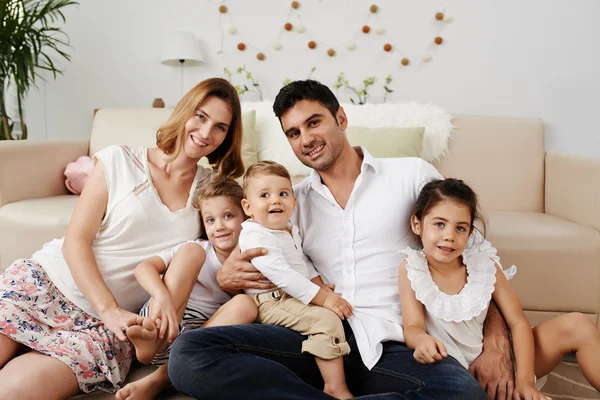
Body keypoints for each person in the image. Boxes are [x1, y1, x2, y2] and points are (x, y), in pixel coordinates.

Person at [167, 79, 512, 399]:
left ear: (341, 118)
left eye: (314, 122)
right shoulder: (289, 203)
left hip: (391, 344)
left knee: (462, 394)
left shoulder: (411, 175)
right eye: (293, 132)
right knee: (188, 355)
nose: (306, 139)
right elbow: (254, 264)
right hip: (310, 338)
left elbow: (478, 259)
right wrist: (227, 278)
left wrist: (496, 342)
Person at [0, 77, 245, 399]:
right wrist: (108, 309)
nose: (206, 133)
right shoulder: (118, 159)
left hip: (106, 332)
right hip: (46, 284)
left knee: (12, 391)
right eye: (200, 116)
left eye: (220, 127)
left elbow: (218, 248)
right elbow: (76, 240)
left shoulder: (211, 190)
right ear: (184, 113)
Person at [397, 178, 600, 399]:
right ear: (417, 224)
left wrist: (525, 382)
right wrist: (421, 341)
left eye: (460, 228)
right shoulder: (412, 268)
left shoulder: (483, 265)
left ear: (470, 232)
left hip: (504, 366)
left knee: (578, 325)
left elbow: (518, 322)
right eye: (439, 224)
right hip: (456, 379)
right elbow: (413, 327)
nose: (449, 236)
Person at [116, 174, 257, 400]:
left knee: (246, 305)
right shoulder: (198, 247)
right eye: (210, 220)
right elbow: (144, 267)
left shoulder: (251, 258)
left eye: (228, 216)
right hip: (161, 316)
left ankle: (160, 375)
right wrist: (161, 295)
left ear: (246, 216)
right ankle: (152, 340)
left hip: (195, 340)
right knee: (192, 252)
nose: (219, 226)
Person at [238, 160, 353, 399]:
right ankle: (336, 388)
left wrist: (321, 287)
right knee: (326, 320)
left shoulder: (290, 229)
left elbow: (303, 264)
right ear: (248, 207)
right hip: (270, 302)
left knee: (337, 311)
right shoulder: (255, 235)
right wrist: (323, 298)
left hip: (291, 296)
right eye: (264, 195)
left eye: (283, 193)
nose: (275, 200)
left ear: (294, 201)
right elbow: (284, 275)